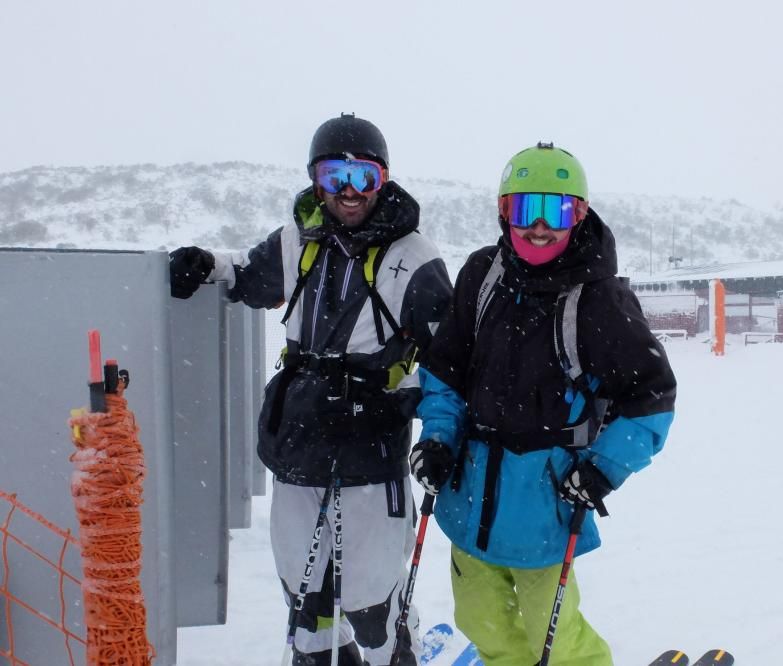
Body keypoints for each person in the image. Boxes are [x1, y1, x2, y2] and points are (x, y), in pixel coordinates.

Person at [168, 113, 453, 666]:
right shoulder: (297, 240)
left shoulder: (412, 257)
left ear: (384, 179)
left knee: (370, 590)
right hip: (301, 435)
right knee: (305, 584)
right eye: (333, 177)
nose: (348, 193)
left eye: (363, 178)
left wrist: (421, 411)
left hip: (370, 443)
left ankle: (389, 649)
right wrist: (206, 265)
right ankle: (319, 655)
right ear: (315, 180)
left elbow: (449, 354)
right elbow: (245, 277)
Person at [408, 143, 677, 665]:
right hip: (469, 496)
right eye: (524, 209)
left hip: (545, 503)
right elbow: (445, 369)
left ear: (578, 215)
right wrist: (438, 438)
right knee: (478, 619)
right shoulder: (482, 275)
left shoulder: (599, 300)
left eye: (554, 211)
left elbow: (651, 398)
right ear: (504, 212)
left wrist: (602, 470)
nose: (539, 227)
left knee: (552, 637)